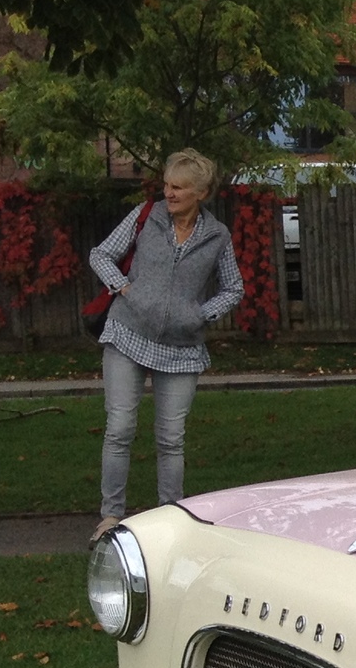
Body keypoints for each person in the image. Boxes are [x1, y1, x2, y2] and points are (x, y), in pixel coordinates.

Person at [89, 150, 244, 538]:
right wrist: (124, 287)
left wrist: (200, 314)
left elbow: (234, 287)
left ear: (201, 192)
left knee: (171, 439)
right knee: (120, 428)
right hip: (127, 335)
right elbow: (101, 254)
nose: (168, 193)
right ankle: (111, 516)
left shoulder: (216, 235)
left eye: (178, 187)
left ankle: (169, 518)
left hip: (182, 348)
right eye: (167, 186)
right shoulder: (147, 216)